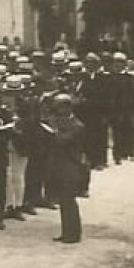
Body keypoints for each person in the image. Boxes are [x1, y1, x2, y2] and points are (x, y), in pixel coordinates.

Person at [46, 93, 88, 244]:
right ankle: (67, 232)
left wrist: (53, 130)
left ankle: (72, 234)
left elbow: (62, 140)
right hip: (61, 165)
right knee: (64, 201)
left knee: (68, 201)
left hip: (71, 166)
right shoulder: (67, 123)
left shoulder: (77, 126)